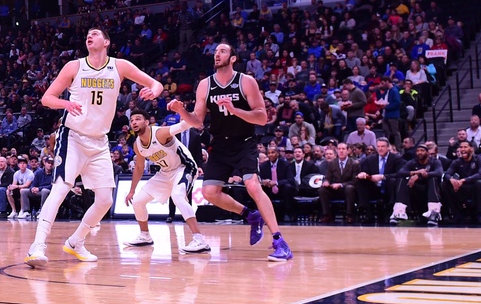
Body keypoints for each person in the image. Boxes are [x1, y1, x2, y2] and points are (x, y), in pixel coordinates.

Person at [24, 27, 164, 268]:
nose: (89, 36)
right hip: (74, 137)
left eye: (95, 33)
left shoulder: (119, 66)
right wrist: (65, 103)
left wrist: (154, 91)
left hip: (99, 141)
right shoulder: (74, 67)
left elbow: (156, 83)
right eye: (87, 34)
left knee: (104, 200)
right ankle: (37, 245)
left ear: (106, 41)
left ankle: (76, 241)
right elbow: (47, 98)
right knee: (60, 188)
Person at [173, 43, 293, 262]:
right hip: (219, 144)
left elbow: (262, 117)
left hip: (244, 142)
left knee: (253, 185)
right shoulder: (205, 85)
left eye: (223, 51)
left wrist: (235, 110)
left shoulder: (246, 82)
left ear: (233, 58)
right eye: (216, 51)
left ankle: (279, 241)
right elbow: (198, 122)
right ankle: (250, 215)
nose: (217, 54)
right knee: (209, 192)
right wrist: (182, 111)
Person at [124, 101, 209, 253]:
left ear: (146, 121)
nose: (134, 122)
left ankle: (200, 239)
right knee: (137, 201)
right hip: (165, 172)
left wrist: (181, 110)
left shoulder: (160, 133)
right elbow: (139, 167)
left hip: (184, 167)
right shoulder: (137, 144)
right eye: (131, 120)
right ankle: (145, 236)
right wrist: (131, 190)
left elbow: (185, 125)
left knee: (177, 196)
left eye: (137, 119)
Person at [390, 143, 443, 225]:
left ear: (428, 153)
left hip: (432, 189)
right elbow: (400, 172)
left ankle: (434, 213)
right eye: (418, 151)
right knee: (402, 179)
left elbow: (439, 172)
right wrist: (415, 173)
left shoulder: (435, 161)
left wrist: (420, 175)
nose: (419, 152)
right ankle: (399, 211)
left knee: (433, 178)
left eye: (422, 150)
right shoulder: (413, 162)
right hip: (416, 190)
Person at [355, 137, 403, 223]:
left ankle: (390, 213)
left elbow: (399, 174)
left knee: (392, 181)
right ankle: (367, 213)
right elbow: (366, 171)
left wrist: (383, 176)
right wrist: (363, 174)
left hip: (389, 187)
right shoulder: (370, 158)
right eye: (378, 146)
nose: (380, 149)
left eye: (383, 146)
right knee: (360, 182)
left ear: (388, 147)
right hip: (374, 187)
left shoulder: (396, 158)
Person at [441, 140, 481, 224]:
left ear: (471, 149)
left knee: (479, 184)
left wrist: (464, 180)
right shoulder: (457, 161)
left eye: (465, 147)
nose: (463, 149)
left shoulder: (479, 159)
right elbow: (447, 174)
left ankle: (480, 214)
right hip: (462, 187)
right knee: (446, 184)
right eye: (461, 147)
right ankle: (457, 213)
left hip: (475, 186)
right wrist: (452, 180)